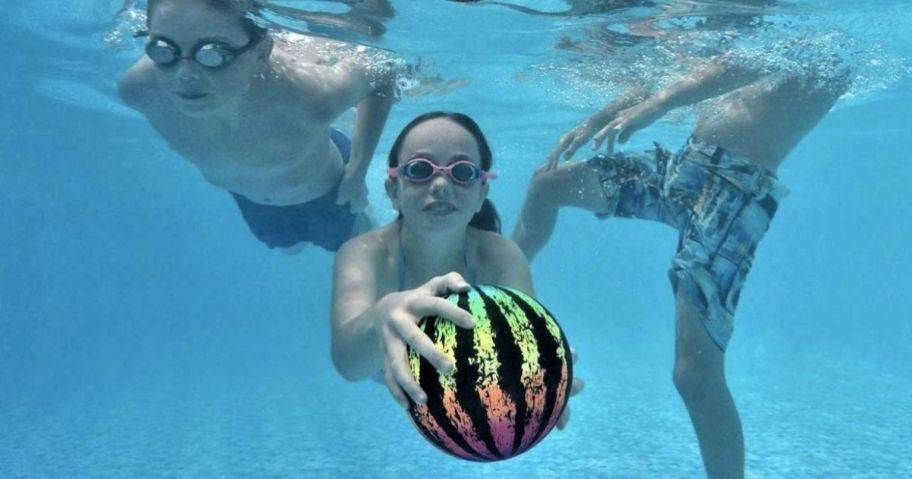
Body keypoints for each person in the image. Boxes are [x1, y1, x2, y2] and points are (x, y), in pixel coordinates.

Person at [513, 56, 850, 478]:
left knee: (695, 374)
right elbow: (673, 68)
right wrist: (601, 115)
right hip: (683, 168)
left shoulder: (817, 35)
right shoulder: (726, 25)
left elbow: (748, 63)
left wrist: (660, 104)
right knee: (546, 185)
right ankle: (493, 288)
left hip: (733, 191)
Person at [331, 112, 581, 426]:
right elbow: (347, 363)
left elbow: (522, 345)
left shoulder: (500, 256)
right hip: (388, 376)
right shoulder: (364, 253)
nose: (440, 185)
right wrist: (382, 315)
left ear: (481, 194)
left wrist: (541, 372)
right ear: (393, 190)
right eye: (420, 170)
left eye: (462, 172)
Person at [118, 0, 395, 253]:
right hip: (253, 204)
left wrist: (357, 171)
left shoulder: (310, 96)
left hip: (329, 192)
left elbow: (383, 69)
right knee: (288, 246)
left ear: (262, 52)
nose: (185, 75)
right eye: (163, 50)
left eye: (214, 53)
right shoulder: (139, 90)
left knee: (359, 247)